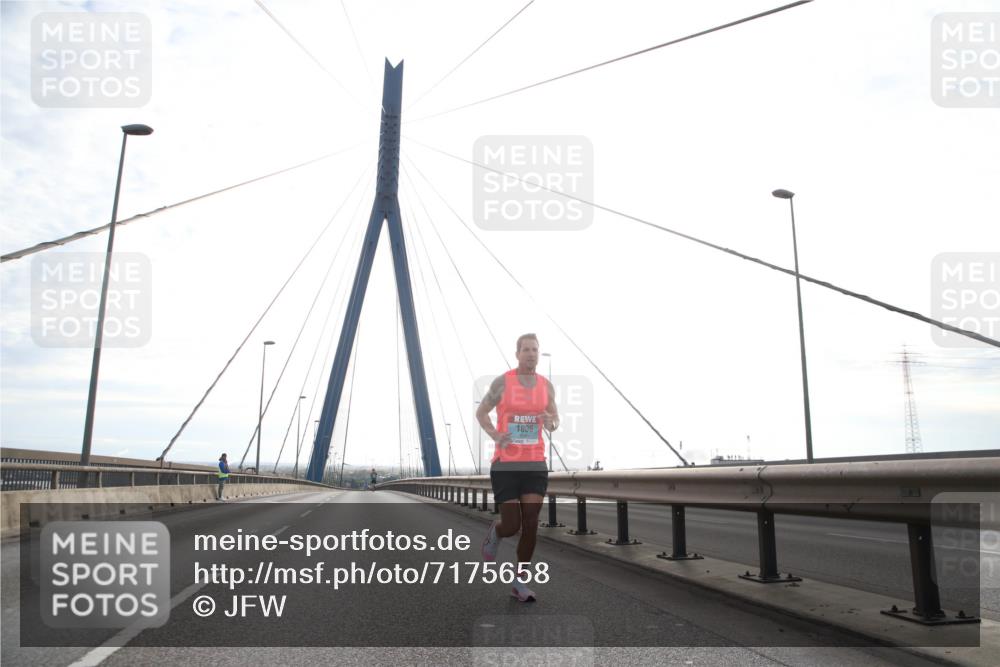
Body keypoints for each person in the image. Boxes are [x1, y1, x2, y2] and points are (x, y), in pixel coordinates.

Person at [476, 333, 559, 602]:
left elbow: (555, 419)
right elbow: (481, 413)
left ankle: (519, 583)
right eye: (526, 350)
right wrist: (495, 435)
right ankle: (497, 531)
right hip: (506, 464)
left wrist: (551, 422)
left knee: (531, 522)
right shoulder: (503, 382)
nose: (531, 354)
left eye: (535, 349)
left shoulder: (546, 386)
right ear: (517, 354)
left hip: (534, 462)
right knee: (512, 525)